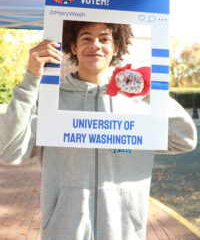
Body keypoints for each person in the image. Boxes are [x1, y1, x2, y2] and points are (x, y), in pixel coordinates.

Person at [0, 21, 197, 240]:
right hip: (64, 232)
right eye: (86, 38)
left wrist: (149, 92)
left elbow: (185, 139)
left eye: (104, 39)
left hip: (124, 232)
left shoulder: (137, 104)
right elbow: (9, 152)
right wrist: (30, 80)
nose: (95, 44)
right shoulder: (50, 102)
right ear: (74, 47)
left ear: (116, 48)